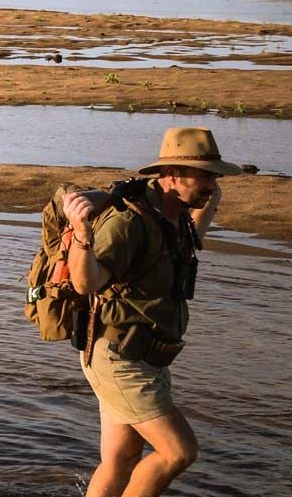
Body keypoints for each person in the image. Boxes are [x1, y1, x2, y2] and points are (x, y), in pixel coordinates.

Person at [64, 126, 231, 497]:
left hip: (147, 356)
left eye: (214, 176)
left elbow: (188, 243)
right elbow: (86, 283)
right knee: (178, 451)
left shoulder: (175, 217)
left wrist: (210, 201)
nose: (212, 183)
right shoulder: (129, 222)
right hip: (119, 358)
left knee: (121, 460)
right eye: (205, 175)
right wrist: (81, 235)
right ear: (171, 174)